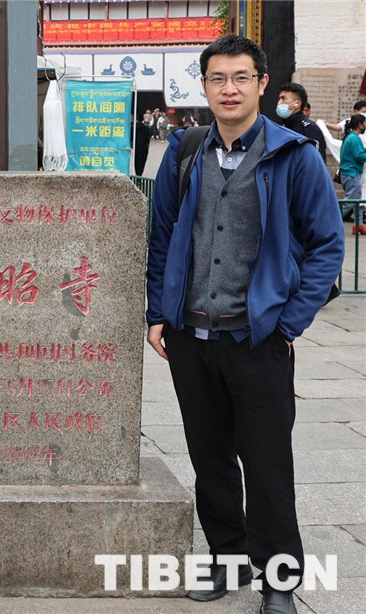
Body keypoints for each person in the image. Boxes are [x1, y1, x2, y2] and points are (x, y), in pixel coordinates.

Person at [146, 35, 344, 614]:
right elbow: (162, 238)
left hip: (258, 339)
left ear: (262, 84)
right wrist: (158, 312)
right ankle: (226, 558)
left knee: (267, 464)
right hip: (191, 337)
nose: (228, 89)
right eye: (217, 78)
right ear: (204, 86)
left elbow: (327, 246)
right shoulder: (185, 152)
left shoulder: (295, 156)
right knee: (210, 460)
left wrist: (289, 323)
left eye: (240, 78)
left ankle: (278, 580)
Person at [277, 82, 327, 163]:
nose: (279, 102)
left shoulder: (309, 129)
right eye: (279, 98)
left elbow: (317, 163)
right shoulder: (282, 127)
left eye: (284, 98)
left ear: (297, 104)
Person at [338, 114, 366, 234]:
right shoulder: (354, 139)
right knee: (350, 201)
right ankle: (332, 221)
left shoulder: (351, 137)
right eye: (364, 124)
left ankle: (358, 224)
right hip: (352, 173)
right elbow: (359, 156)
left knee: (356, 201)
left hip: (350, 173)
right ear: (360, 125)